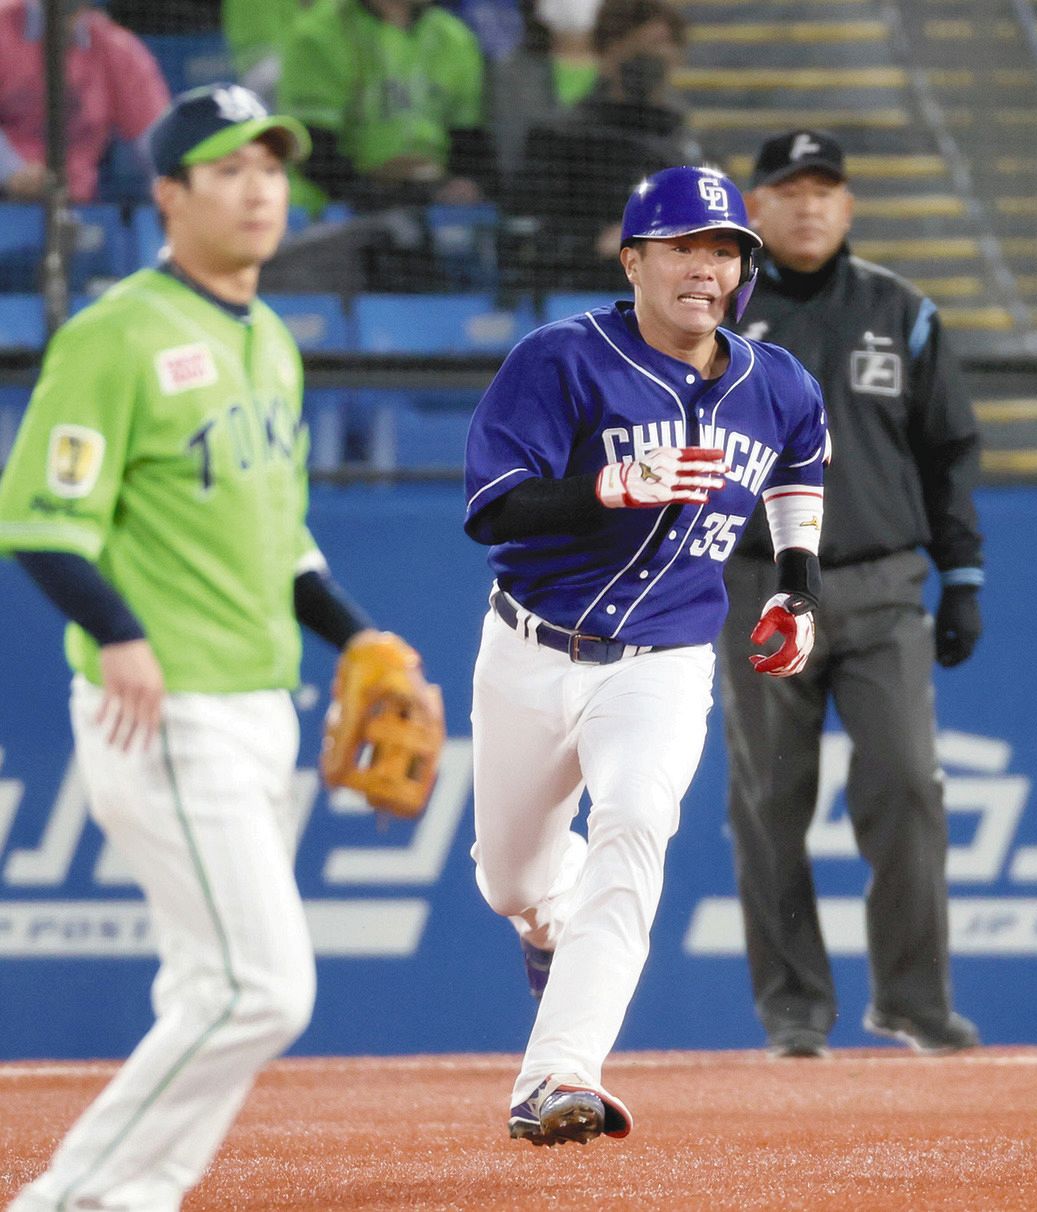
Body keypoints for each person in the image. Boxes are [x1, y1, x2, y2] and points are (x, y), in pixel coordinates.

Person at [0, 83, 391, 1211]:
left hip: (259, 706)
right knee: (262, 990)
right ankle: (69, 1199)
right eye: (228, 170)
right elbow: (39, 518)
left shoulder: (269, 339)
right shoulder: (115, 333)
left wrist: (355, 635)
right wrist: (117, 635)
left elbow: (282, 536)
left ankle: (133, 1200)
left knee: (206, 987)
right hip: (168, 712)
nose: (259, 188)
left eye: (270, 166)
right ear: (168, 195)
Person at [464, 165, 831, 1146]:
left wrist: (796, 586)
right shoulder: (560, 360)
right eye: (682, 247)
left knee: (635, 822)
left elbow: (800, 465)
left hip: (662, 659)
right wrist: (607, 487)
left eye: (724, 250)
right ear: (632, 260)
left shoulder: (776, 383)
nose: (705, 269)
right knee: (508, 883)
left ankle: (558, 1077)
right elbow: (491, 507)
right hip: (530, 649)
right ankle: (549, 930)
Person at [719, 130, 985, 1059]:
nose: (807, 206)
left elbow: (949, 453)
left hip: (880, 582)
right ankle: (795, 1009)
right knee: (769, 801)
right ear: (753, 207)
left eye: (825, 189)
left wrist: (965, 580)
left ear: (849, 205)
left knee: (909, 783)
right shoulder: (718, 316)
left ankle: (913, 999)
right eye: (787, 189)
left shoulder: (902, 310)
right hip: (755, 585)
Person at [505, 0, 700, 291]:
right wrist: (600, 242)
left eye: (664, 46)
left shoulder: (687, 145)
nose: (656, 57)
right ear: (607, 52)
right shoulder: (561, 138)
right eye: (642, 49)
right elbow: (530, 238)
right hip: (588, 296)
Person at [277, 0, 494, 216]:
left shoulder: (455, 37)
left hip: (434, 208)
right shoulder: (318, 33)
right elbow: (312, 149)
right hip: (337, 213)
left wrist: (464, 184)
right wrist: (381, 187)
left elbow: (469, 141)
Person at [0, 0, 169, 203]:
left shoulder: (117, 48)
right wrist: (11, 171)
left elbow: (161, 141)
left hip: (78, 204)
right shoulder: (3, 24)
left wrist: (173, 188)